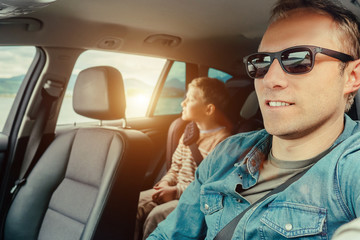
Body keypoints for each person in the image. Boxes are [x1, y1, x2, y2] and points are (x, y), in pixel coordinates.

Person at [147, 0, 360, 239]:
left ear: (352, 76)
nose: (270, 80)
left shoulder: (351, 166)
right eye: (262, 63)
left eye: (299, 60)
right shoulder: (225, 155)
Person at [135, 77, 232, 240]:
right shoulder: (189, 133)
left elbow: (211, 187)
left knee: (156, 216)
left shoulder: (223, 142)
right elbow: (175, 167)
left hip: (195, 199)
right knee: (132, 203)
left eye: (191, 99)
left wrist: (175, 193)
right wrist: (166, 182)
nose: (183, 103)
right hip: (173, 190)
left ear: (208, 109)